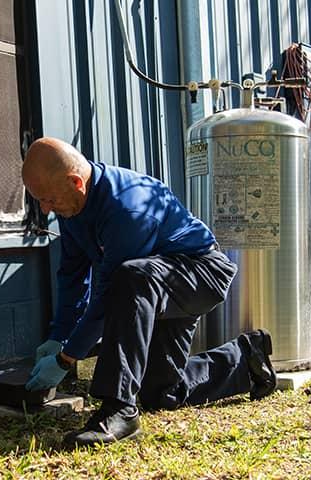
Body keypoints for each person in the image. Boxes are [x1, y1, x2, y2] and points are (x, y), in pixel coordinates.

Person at [22, 137, 277, 447]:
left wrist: (65, 359)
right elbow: (73, 276)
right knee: (161, 393)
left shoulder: (128, 206)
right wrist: (58, 336)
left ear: (75, 182)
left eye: (48, 199)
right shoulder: (71, 210)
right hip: (156, 284)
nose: (45, 209)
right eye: (39, 201)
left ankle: (119, 410)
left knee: (129, 276)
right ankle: (247, 358)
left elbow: (107, 298)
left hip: (200, 274)